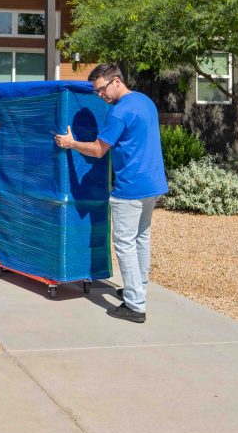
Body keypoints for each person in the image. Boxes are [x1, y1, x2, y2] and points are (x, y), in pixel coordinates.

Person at [54, 63, 167, 323]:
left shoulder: (118, 113)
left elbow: (97, 150)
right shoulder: (144, 101)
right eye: (96, 92)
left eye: (101, 89)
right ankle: (137, 289)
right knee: (141, 238)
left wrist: (70, 144)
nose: (100, 95)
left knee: (124, 244)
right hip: (154, 183)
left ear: (116, 81)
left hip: (131, 187)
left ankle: (135, 305)